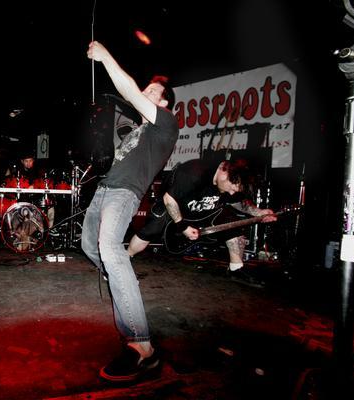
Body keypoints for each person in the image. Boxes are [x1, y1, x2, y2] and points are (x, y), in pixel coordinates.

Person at [81, 41, 179, 382]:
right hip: (105, 189)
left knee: (110, 249)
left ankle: (142, 347)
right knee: (90, 247)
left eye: (152, 91)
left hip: (124, 194)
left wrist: (106, 56)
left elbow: (129, 91)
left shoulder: (166, 123)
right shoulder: (140, 130)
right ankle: (122, 279)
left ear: (164, 103)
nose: (144, 93)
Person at [127, 157, 277, 286]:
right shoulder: (194, 172)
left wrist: (259, 212)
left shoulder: (230, 181)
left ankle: (236, 268)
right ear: (224, 172)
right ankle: (125, 258)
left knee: (231, 222)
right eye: (232, 188)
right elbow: (169, 199)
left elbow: (237, 202)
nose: (232, 193)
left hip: (202, 212)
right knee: (154, 227)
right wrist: (182, 226)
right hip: (175, 208)